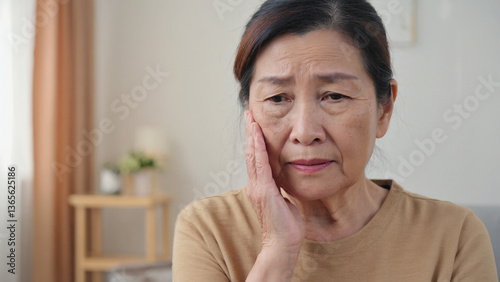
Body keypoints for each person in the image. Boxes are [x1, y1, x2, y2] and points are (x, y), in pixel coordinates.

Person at [172, 0, 498, 281]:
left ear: (384, 109)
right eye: (277, 98)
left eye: (334, 96)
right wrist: (278, 251)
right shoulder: (209, 230)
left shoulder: (455, 236)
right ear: (249, 112)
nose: (304, 131)